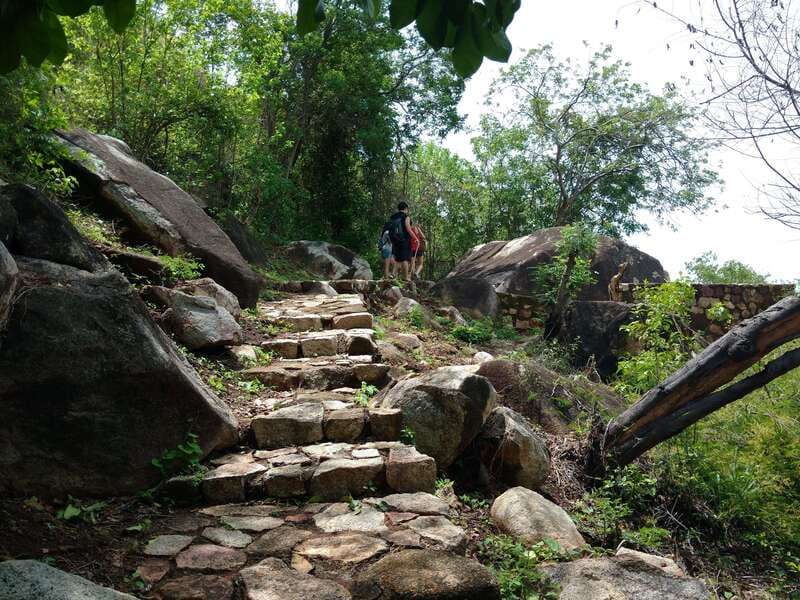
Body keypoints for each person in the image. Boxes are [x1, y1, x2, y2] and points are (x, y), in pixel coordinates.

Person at [388, 201, 418, 281]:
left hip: (394, 240)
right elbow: (408, 228)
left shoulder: (393, 217)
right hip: (404, 240)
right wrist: (415, 238)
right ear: (406, 208)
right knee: (405, 259)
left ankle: (393, 274)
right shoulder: (406, 217)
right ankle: (405, 278)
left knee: (398, 259)